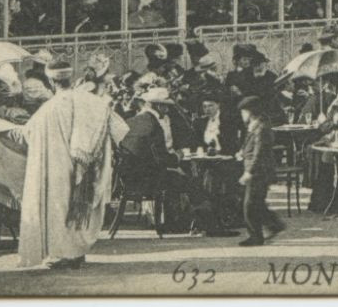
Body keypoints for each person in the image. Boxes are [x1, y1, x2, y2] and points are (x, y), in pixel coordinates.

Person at [18, 59, 128, 269]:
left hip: (55, 165)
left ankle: (62, 253)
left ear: (50, 82)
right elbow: (119, 129)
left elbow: (27, 134)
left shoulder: (47, 109)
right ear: (70, 76)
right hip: (83, 165)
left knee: (58, 207)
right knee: (75, 205)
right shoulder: (88, 101)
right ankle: (75, 252)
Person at [116, 88, 232, 237]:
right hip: (150, 180)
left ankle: (176, 223)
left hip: (129, 179)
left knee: (180, 179)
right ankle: (211, 227)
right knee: (193, 184)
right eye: (166, 106)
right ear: (158, 106)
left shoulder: (134, 120)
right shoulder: (154, 125)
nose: (168, 110)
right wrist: (178, 156)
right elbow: (161, 159)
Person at [237, 95, 285, 246]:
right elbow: (251, 147)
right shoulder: (255, 126)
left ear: (251, 112)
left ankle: (256, 236)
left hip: (259, 171)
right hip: (257, 170)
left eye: (244, 112)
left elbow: (259, 152)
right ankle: (274, 224)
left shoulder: (261, 128)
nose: (242, 115)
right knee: (257, 203)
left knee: (249, 205)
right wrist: (242, 152)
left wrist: (249, 172)